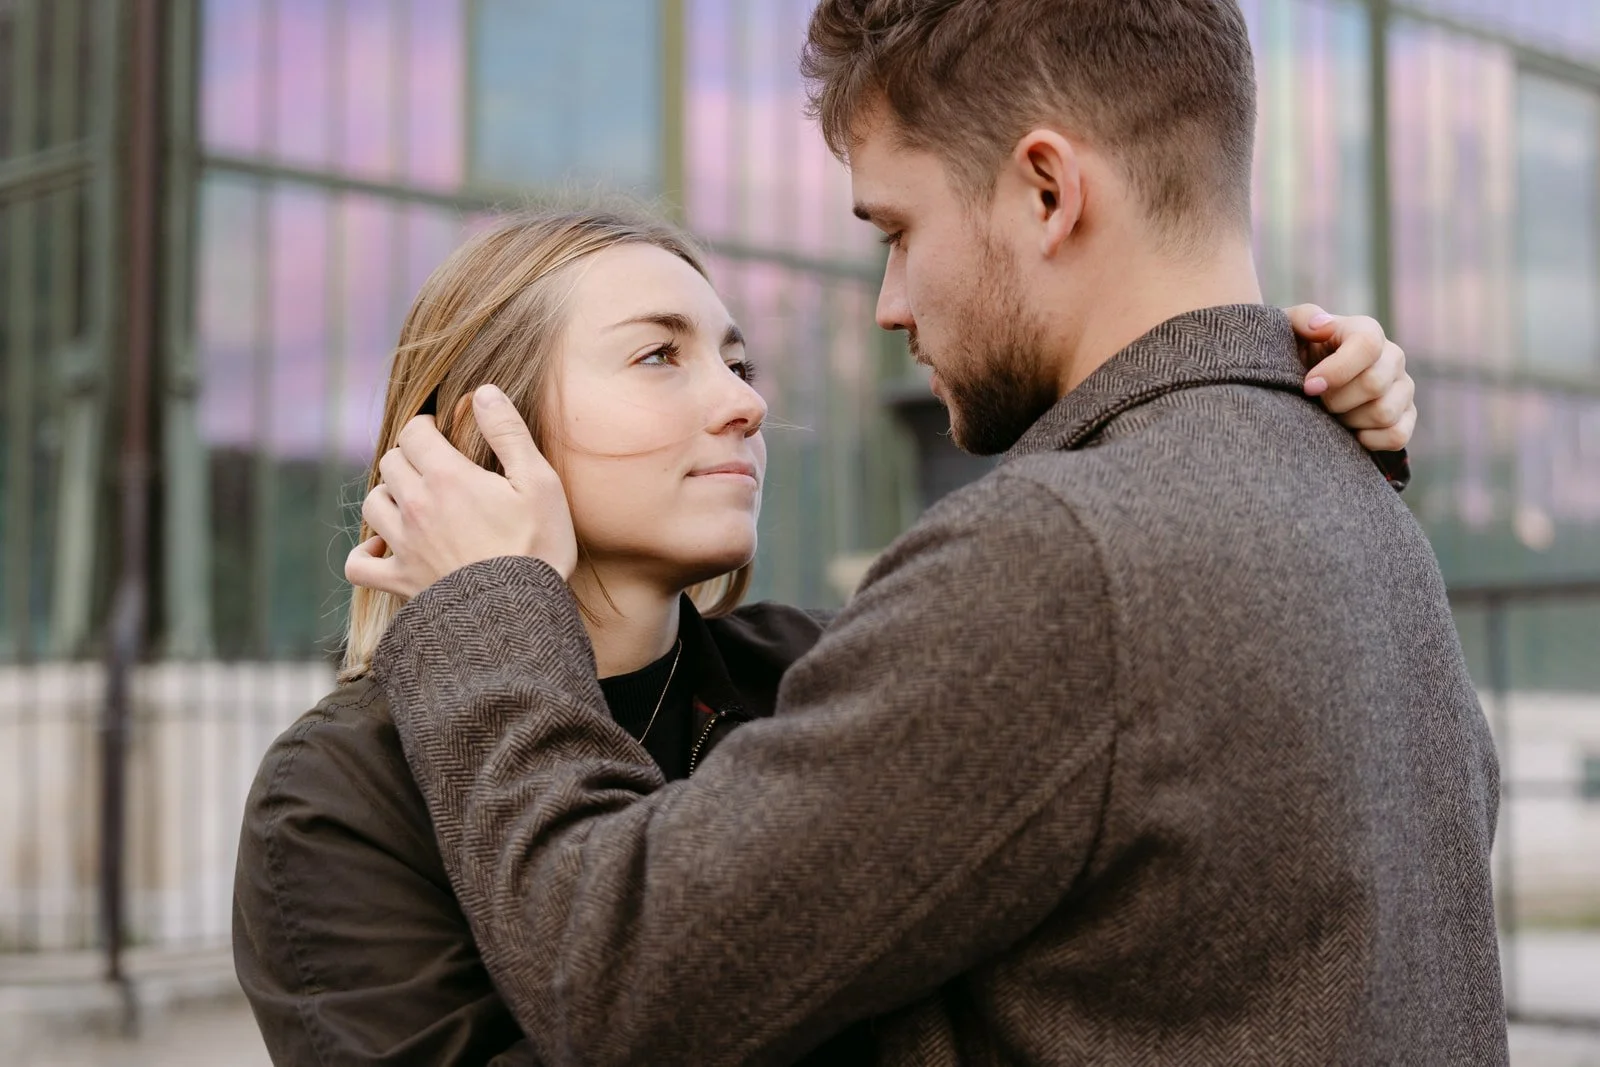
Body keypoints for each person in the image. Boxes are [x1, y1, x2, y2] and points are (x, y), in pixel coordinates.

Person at [346, 1, 1505, 1065]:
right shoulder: (1356, 497)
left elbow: (618, 977)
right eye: (659, 355)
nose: (890, 300)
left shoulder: (1057, 558)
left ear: (1047, 191)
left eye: (897, 229)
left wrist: (492, 601)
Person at [233, 205, 1417, 1063]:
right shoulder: (338, 795)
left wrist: (1293, 443)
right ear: (479, 439)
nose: (745, 400)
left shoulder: (819, 667)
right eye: (660, 355)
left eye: (737, 359)